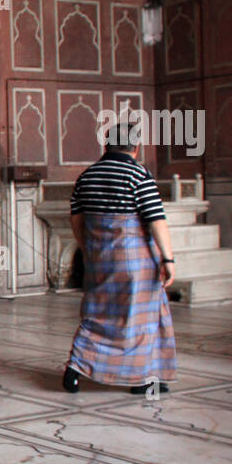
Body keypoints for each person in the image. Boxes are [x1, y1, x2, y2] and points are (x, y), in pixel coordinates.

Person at [63, 123, 176, 395]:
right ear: (136, 148)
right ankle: (139, 379)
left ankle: (75, 368)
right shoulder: (138, 174)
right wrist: (168, 259)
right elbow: (156, 220)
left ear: (106, 146)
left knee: (97, 314)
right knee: (139, 319)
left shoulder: (86, 176)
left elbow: (77, 219)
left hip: (99, 258)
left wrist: (89, 250)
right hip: (134, 261)